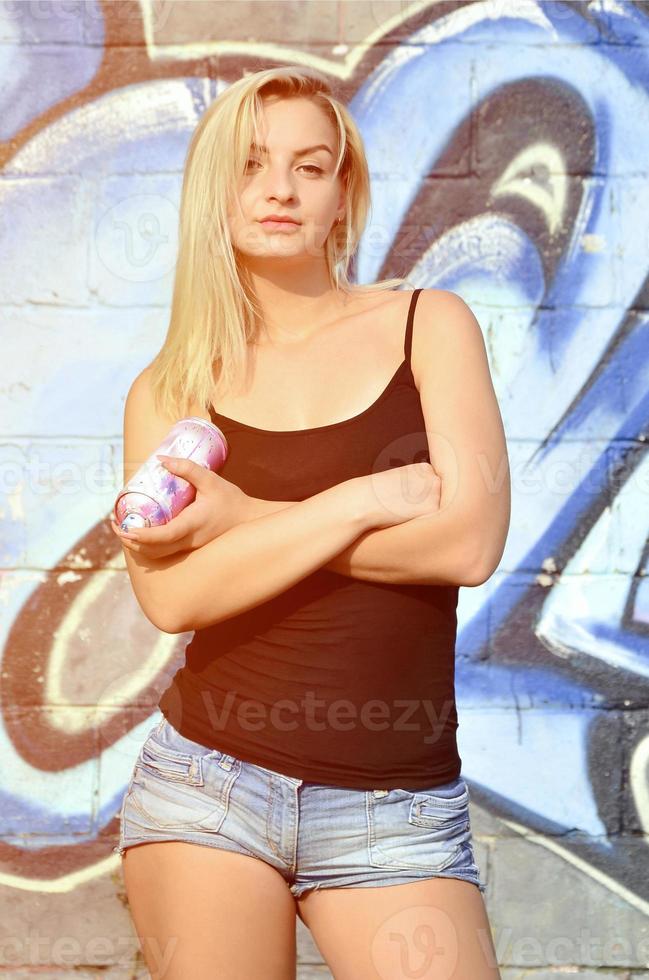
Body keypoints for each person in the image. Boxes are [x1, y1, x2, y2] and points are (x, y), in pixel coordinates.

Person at [111, 65, 509, 980]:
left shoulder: (429, 327)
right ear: (218, 188)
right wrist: (363, 501)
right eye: (251, 164)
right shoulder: (173, 388)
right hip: (206, 788)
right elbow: (174, 598)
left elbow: (468, 543)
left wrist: (246, 519)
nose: (280, 189)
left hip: (396, 809)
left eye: (310, 166)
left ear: (343, 192)